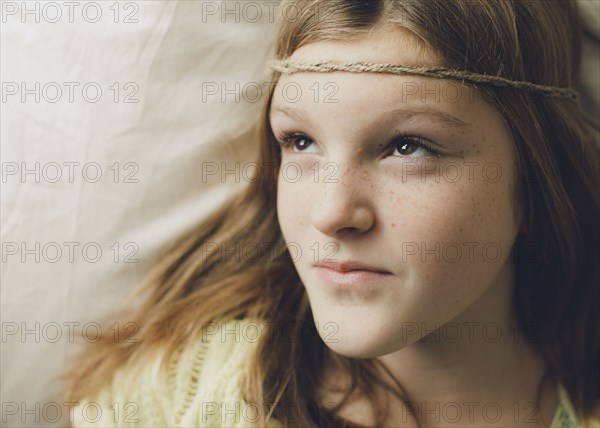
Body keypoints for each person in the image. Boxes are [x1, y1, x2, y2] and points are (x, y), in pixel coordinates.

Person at [63, 0, 599, 427]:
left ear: (535, 170)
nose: (331, 212)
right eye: (300, 141)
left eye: (408, 147)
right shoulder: (179, 395)